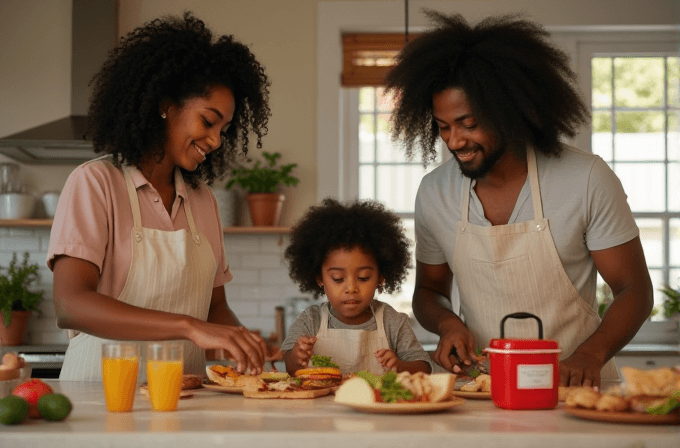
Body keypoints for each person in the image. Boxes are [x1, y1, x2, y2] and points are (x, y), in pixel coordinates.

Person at [384, 11, 653, 388]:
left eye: (469, 123)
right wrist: (448, 324)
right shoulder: (435, 191)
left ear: (508, 111)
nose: (454, 141)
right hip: (478, 389)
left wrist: (591, 354)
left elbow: (634, 289)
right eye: (443, 127)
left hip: (572, 388)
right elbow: (429, 291)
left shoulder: (586, 178)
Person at [47, 12, 272, 380]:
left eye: (225, 129)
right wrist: (187, 326)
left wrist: (242, 341)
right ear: (166, 105)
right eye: (208, 121)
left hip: (188, 402)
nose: (216, 140)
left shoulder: (203, 201)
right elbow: (71, 305)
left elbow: (215, 308)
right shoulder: (96, 183)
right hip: (101, 396)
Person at [280, 198, 433, 375]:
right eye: (338, 278)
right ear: (320, 279)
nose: (351, 288)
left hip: (376, 402)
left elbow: (424, 367)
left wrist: (400, 366)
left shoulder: (392, 322)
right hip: (322, 403)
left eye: (363, 277)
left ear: (381, 277)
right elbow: (290, 367)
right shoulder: (310, 321)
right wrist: (297, 356)